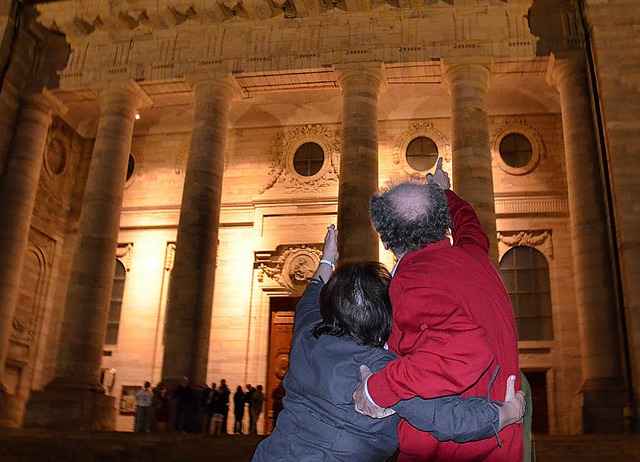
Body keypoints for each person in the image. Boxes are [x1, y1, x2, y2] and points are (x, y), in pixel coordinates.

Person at [252, 225, 524, 461]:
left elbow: (308, 302)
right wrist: (508, 413)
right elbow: (446, 418)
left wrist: (327, 258)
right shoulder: (378, 368)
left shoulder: (308, 336)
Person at [353, 158, 524, 461]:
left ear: (386, 237)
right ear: (440, 220)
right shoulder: (473, 256)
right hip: (500, 445)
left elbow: (466, 350)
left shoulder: (412, 279)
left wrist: (378, 389)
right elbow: (470, 228)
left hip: (451, 450)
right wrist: (445, 192)